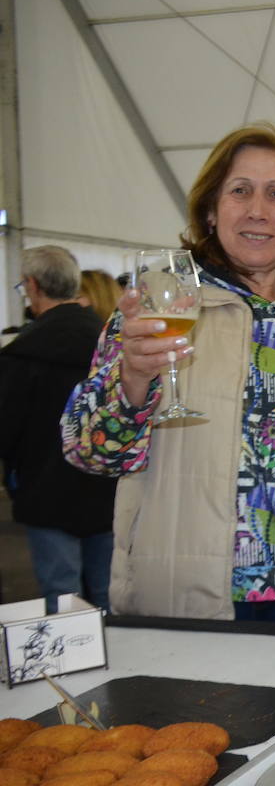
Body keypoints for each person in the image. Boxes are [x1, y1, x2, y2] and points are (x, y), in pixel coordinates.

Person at [61, 123, 275, 622]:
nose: (258, 209)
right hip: (189, 597)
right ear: (212, 211)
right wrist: (131, 379)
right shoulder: (156, 309)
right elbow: (88, 452)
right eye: (239, 191)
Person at [0, 246, 116, 609]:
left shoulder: (20, 353)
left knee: (62, 598)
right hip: (107, 491)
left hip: (45, 492)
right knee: (108, 593)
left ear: (33, 286)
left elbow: (5, 433)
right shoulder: (111, 344)